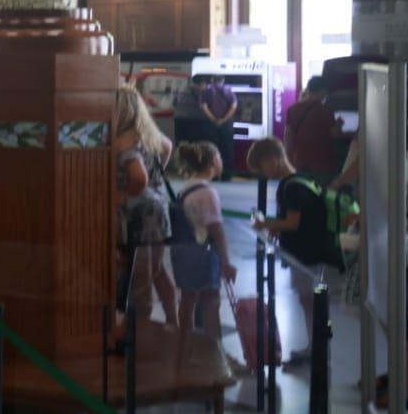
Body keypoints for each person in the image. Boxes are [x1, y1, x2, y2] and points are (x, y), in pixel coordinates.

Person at [249, 137, 350, 362]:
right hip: (313, 250)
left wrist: (264, 224)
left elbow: (293, 223)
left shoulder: (291, 187)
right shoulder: (301, 179)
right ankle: (316, 345)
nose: (263, 173)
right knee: (310, 302)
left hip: (306, 254)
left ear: (272, 159)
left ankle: (317, 348)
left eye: (262, 167)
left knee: (310, 302)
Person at [172, 142, 240, 375]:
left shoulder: (186, 188)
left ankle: (186, 350)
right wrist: (226, 261)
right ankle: (215, 354)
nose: (222, 161)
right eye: (219, 156)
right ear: (212, 161)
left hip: (181, 250)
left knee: (188, 301)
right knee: (211, 302)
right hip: (202, 253)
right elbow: (217, 230)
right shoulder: (208, 193)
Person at [115, 84, 178, 327]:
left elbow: (138, 178)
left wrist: (121, 194)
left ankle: (141, 332)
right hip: (158, 206)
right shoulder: (147, 133)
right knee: (158, 270)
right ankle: (173, 323)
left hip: (140, 215)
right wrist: (155, 179)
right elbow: (167, 147)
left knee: (142, 277)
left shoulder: (124, 142)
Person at [284, 76, 341, 177]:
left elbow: (288, 136)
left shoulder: (293, 109)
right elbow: (335, 135)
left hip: (300, 161)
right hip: (321, 162)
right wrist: (339, 124)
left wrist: (289, 157)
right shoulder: (326, 110)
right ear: (322, 91)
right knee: (319, 191)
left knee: (303, 189)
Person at [199, 74, 238, 174]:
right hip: (226, 124)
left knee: (211, 149)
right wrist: (223, 119)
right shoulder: (229, 90)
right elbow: (233, 106)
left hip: (210, 124)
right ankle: (227, 174)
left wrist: (213, 119)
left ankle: (212, 173)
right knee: (227, 149)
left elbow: (204, 107)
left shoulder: (206, 91)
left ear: (212, 80)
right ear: (223, 80)